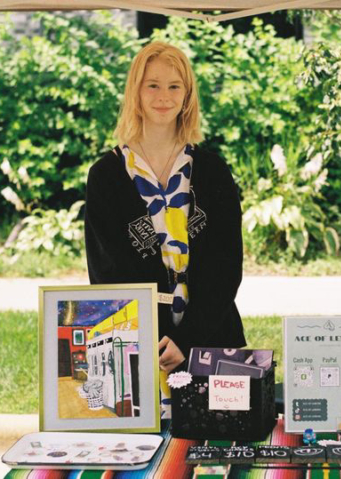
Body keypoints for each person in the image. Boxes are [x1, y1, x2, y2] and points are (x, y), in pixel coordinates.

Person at [84, 41, 246, 374]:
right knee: (145, 429)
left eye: (175, 86)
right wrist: (153, 340)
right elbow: (106, 273)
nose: (163, 96)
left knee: (209, 428)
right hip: (138, 347)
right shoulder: (106, 176)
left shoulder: (213, 170)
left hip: (211, 340)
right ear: (136, 91)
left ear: (187, 95)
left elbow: (226, 264)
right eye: (153, 85)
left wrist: (186, 340)